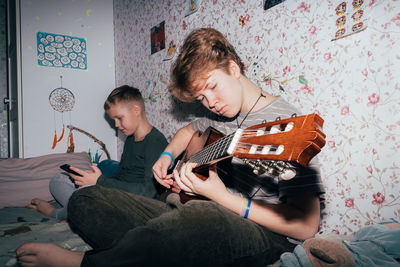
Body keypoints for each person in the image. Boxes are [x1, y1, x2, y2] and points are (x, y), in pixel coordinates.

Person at [16, 28, 324, 267]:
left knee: (202, 216)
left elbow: (306, 227)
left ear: (233, 68)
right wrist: (166, 157)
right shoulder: (218, 114)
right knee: (87, 199)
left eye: (212, 87)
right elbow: (189, 129)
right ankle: (157, 249)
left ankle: (88, 262)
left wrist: (223, 198)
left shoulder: (284, 122)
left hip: (262, 234)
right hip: (184, 214)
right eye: (201, 98)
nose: (211, 102)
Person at [26, 85, 168, 220]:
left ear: (136, 110)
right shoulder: (130, 140)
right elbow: (119, 176)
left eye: (119, 118)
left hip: (133, 203)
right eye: (114, 120)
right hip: (115, 194)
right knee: (59, 179)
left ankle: (57, 213)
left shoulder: (155, 142)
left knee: (87, 198)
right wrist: (90, 178)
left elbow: (149, 192)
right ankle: (76, 206)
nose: (117, 125)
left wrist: (99, 181)